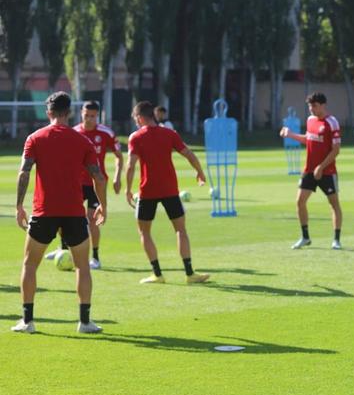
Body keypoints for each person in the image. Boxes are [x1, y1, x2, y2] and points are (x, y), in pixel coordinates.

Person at [12, 91, 107, 334]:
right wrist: (102, 205)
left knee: (30, 265)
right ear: (70, 112)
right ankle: (85, 322)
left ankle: (27, 321)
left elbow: (24, 172)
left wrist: (19, 205)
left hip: (43, 212)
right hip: (74, 212)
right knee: (82, 266)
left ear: (49, 112)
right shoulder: (82, 141)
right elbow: (97, 176)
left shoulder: (35, 138)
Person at [125, 101, 209, 284]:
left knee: (144, 232)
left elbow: (130, 166)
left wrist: (128, 189)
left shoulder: (135, 137)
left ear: (139, 117)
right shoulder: (169, 133)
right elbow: (188, 153)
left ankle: (157, 274)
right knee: (180, 230)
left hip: (147, 191)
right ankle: (189, 274)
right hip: (170, 190)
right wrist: (200, 172)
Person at [44, 101, 123, 269]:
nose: (89, 119)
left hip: (95, 183)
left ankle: (95, 257)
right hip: (76, 183)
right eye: (86, 115)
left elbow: (119, 155)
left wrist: (117, 177)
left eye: (92, 116)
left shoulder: (105, 133)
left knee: (92, 220)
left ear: (98, 116)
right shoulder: (74, 132)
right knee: (64, 216)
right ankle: (63, 248)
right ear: (81, 113)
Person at [279, 92, 343, 250]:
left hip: (327, 171)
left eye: (314, 106)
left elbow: (336, 150)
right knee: (300, 201)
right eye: (309, 106)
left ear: (323, 105)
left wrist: (321, 167)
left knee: (334, 204)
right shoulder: (310, 120)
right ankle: (305, 237)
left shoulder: (332, 122)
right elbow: (308, 139)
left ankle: (336, 239)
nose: (311, 109)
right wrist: (291, 135)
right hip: (309, 170)